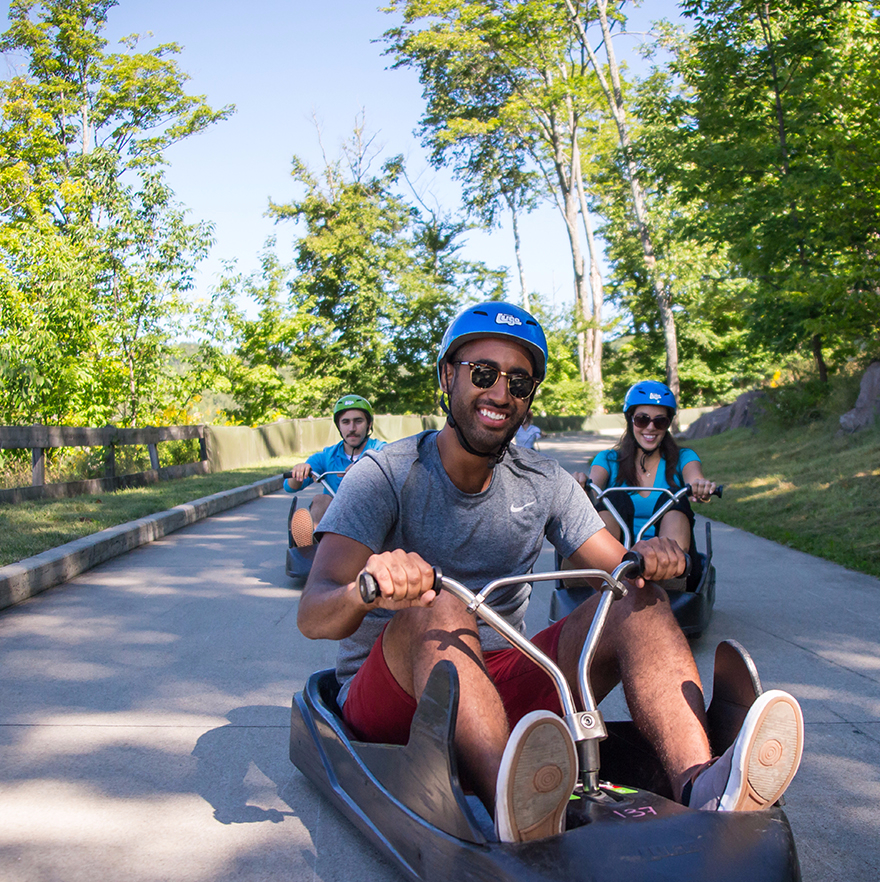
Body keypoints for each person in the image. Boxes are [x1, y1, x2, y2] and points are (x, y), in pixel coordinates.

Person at [296, 301, 804, 844]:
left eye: (519, 381)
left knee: (637, 597)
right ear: (448, 375)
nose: (500, 393)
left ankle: (703, 785)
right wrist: (369, 588)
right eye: (484, 374)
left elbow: (615, 568)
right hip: (391, 701)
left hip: (497, 690)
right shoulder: (384, 475)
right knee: (440, 603)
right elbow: (314, 613)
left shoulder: (544, 482)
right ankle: (512, 804)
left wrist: (651, 560)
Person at [574, 381, 717, 564]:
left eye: (660, 421)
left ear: (667, 425)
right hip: (615, 556)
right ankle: (608, 566)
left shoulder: (683, 457)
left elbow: (695, 477)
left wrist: (700, 486)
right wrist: (582, 486)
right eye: (642, 419)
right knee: (613, 500)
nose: (650, 427)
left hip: (667, 559)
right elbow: (593, 488)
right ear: (630, 419)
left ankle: (669, 570)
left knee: (674, 499)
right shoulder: (608, 459)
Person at [285, 394, 385, 552]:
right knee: (321, 499)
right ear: (339, 426)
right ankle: (312, 544)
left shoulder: (381, 450)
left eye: (358, 421)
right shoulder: (327, 455)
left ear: (369, 424)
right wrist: (298, 471)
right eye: (346, 422)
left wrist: (365, 469)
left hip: (368, 515)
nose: (352, 428)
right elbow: (290, 487)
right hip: (334, 520)